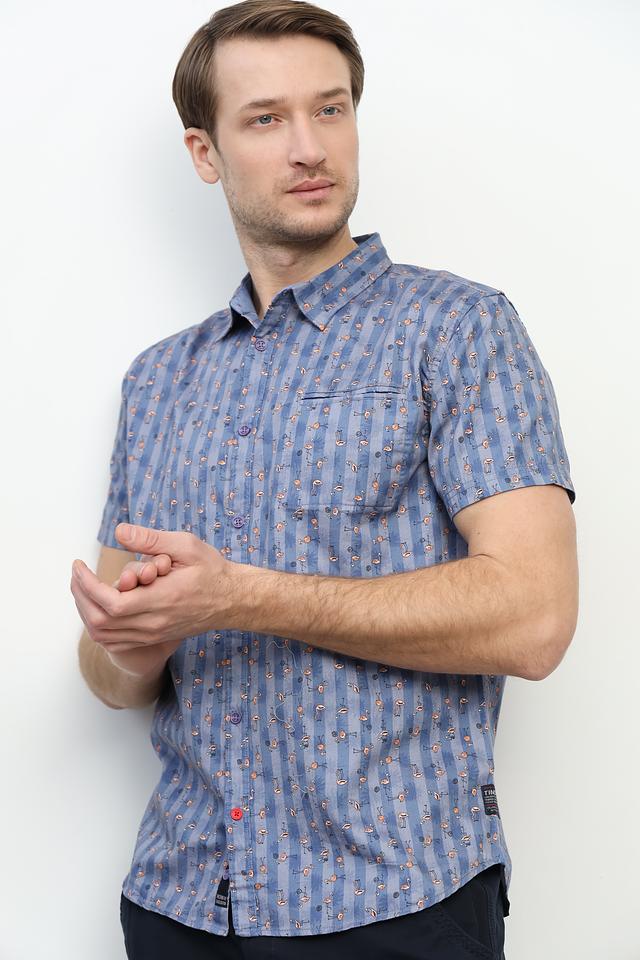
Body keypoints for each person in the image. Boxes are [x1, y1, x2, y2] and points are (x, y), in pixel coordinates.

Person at [71, 1, 578, 957]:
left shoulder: (459, 329)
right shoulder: (159, 379)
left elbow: (535, 618)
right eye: (265, 118)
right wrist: (135, 640)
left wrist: (241, 597)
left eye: (331, 109)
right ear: (205, 152)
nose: (309, 147)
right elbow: (108, 674)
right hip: (182, 904)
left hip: (397, 904)